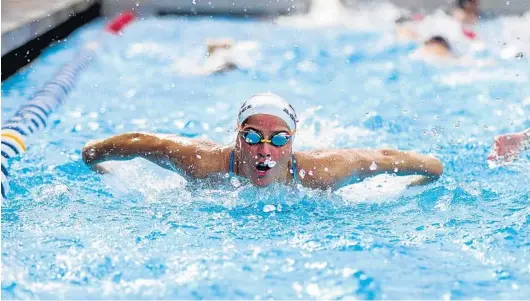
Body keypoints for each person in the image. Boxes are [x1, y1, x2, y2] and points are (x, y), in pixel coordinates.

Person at [82, 93, 443, 190]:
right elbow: (143, 141)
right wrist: (93, 155)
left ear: (292, 141)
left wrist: (427, 174)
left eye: (278, 139)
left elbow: (385, 157)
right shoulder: (203, 163)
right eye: (252, 137)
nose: (264, 150)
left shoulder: (324, 171)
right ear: (237, 136)